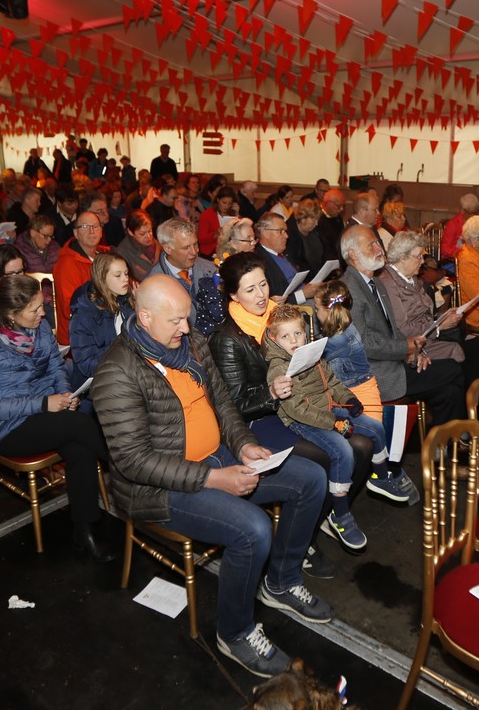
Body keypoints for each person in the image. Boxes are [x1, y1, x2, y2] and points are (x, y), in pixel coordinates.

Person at [93, 275, 332, 677]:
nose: (186, 328)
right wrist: (213, 478)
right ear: (145, 317)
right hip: (159, 488)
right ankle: (234, 633)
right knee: (253, 530)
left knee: (310, 478)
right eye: (175, 321)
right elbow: (134, 461)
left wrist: (243, 444)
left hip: (217, 456)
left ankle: (281, 582)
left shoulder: (191, 343)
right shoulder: (117, 372)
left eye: (186, 318)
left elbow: (222, 402)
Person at [209, 253, 375, 578]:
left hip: (302, 403)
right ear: (233, 295)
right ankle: (301, 542)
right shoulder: (227, 339)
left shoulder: (282, 317)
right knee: (326, 457)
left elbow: (315, 364)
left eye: (263, 284)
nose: (261, 295)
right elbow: (236, 405)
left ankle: (327, 514)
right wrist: (271, 393)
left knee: (363, 445)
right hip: (261, 420)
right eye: (250, 290)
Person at [0, 274, 113, 562]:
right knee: (79, 425)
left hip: (46, 413)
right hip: (3, 428)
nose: (43, 313)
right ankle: (130, 470)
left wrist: (65, 394)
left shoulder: (39, 327)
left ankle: (85, 530)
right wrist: (44, 403)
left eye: (41, 305)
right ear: (11, 314)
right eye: (35, 309)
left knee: (80, 447)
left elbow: (56, 367)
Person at [262, 306, 390, 552]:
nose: (294, 341)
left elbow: (330, 380)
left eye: (297, 334)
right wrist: (334, 422)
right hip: (303, 421)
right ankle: (340, 513)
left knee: (374, 427)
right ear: (275, 339)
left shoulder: (309, 353)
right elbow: (297, 409)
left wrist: (348, 398)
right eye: (286, 336)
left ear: (305, 332)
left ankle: (382, 477)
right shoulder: (280, 368)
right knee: (342, 450)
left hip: (329, 408)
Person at [339, 225, 465, 426]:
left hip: (393, 361)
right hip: (376, 372)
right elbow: (364, 344)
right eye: (371, 245)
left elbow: (392, 330)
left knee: (449, 391)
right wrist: (406, 348)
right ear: (353, 254)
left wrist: (414, 352)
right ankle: (455, 435)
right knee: (453, 368)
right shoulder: (349, 290)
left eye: (378, 243)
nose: (379, 249)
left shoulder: (374, 283)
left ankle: (446, 439)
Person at [313, 279, 417, 505]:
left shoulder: (335, 341)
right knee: (373, 439)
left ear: (327, 312)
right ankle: (382, 476)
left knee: (367, 442)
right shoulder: (347, 328)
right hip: (365, 389)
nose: (315, 313)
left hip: (357, 395)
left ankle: (376, 480)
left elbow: (315, 360)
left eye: (317, 309)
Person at [379, 231, 479, 390]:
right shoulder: (388, 284)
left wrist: (444, 317)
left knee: (478, 345)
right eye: (418, 256)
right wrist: (439, 326)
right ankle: (474, 399)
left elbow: (425, 313)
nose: (422, 262)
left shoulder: (411, 278)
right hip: (413, 344)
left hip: (427, 335)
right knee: (464, 353)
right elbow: (403, 329)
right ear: (402, 258)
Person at [145, 218, 219, 331]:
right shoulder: (154, 285)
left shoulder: (211, 269)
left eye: (195, 244)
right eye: (186, 247)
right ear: (168, 248)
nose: (194, 252)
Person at [69, 252, 133, 381]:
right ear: (102, 278)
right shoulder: (84, 314)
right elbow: (87, 365)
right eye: (118, 275)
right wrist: (124, 350)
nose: (125, 279)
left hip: (124, 373)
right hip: (97, 383)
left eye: (126, 274)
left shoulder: (125, 302)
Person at [54, 211, 106, 345]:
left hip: (102, 326)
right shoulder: (67, 263)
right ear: (76, 233)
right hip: (78, 338)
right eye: (85, 227)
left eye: (95, 226)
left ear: (101, 231)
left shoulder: (105, 256)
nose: (91, 231)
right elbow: (70, 307)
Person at [255, 212, 321, 304]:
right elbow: (275, 300)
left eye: (285, 231)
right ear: (265, 233)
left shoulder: (284, 252)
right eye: (281, 231)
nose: (286, 236)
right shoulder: (259, 261)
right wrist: (303, 294)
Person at [285, 198, 327, 276]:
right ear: (303, 218)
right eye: (313, 220)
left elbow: (325, 250)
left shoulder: (315, 230)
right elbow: (296, 264)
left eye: (317, 220)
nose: (316, 224)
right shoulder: (288, 235)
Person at [116, 209, 159, 282]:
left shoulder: (157, 244)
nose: (148, 236)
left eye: (150, 231)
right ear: (130, 232)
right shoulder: (123, 251)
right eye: (142, 234)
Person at [199, 184, 238, 257]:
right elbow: (201, 239)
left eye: (229, 204)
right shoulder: (207, 214)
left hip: (229, 250)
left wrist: (237, 214)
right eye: (224, 203)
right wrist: (216, 233)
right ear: (218, 200)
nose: (226, 206)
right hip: (211, 251)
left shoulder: (233, 215)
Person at [440, 193, 479, 262]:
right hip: (454, 261)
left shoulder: (477, 223)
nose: (474, 216)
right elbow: (445, 250)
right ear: (463, 210)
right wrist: (462, 252)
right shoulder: (453, 224)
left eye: (476, 213)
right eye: (471, 213)